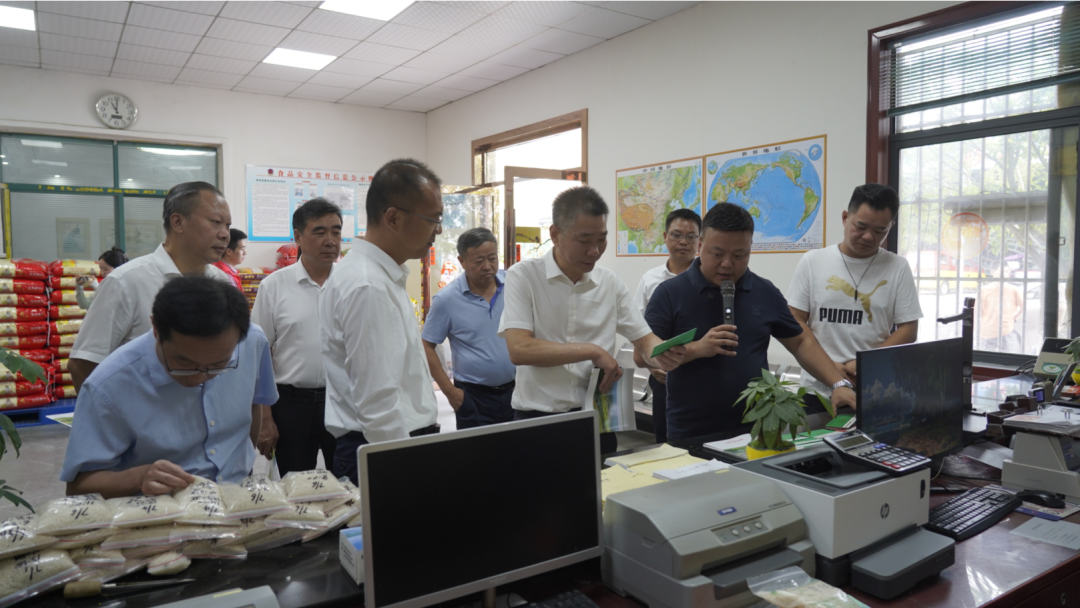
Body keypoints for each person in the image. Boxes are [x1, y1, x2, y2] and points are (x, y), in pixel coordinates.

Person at [642, 203, 857, 442]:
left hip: (756, 431)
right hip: (690, 432)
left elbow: (800, 342)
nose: (727, 264)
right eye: (717, 254)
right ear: (700, 245)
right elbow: (644, 356)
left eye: (739, 255)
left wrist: (838, 383)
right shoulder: (670, 293)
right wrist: (698, 348)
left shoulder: (764, 291)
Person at [499, 186, 684, 455]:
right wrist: (592, 351)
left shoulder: (610, 282)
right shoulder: (524, 276)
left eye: (602, 239)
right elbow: (520, 349)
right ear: (555, 234)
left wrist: (664, 355)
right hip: (538, 419)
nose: (595, 251)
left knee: (602, 482)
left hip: (599, 419)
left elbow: (645, 340)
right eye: (584, 240)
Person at [60, 276, 277, 499]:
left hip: (237, 498)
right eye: (184, 363)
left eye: (218, 365)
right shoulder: (108, 385)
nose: (199, 377)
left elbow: (253, 407)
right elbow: (78, 487)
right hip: (159, 510)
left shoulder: (253, 343)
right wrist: (139, 478)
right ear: (156, 329)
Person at [320, 158, 443, 484]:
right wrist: (403, 470)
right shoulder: (368, 285)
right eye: (433, 219)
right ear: (393, 218)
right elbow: (378, 402)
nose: (439, 230)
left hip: (384, 442)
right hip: (384, 447)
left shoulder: (379, 275)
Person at [68, 182, 232, 391]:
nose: (225, 234)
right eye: (216, 222)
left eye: (228, 225)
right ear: (178, 222)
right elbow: (83, 365)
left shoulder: (222, 283)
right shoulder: (126, 282)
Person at [787, 184, 922, 399]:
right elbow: (795, 321)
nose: (868, 237)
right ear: (845, 218)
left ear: (891, 226)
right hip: (817, 388)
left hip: (872, 386)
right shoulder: (813, 261)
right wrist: (828, 367)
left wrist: (863, 363)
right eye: (861, 226)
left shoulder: (897, 266)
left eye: (880, 231)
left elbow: (908, 329)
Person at [252, 198, 342, 475]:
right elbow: (259, 353)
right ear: (298, 237)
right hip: (291, 405)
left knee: (349, 483)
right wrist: (265, 417)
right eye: (320, 232)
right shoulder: (274, 286)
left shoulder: (352, 283)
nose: (330, 241)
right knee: (296, 484)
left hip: (342, 400)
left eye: (336, 231)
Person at [422, 228, 515, 430]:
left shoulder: (514, 285)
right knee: (478, 450)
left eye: (492, 258)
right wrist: (450, 392)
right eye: (479, 261)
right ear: (462, 261)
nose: (487, 266)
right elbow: (426, 346)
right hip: (473, 398)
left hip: (517, 391)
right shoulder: (447, 300)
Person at [633, 208, 701, 443]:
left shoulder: (709, 277)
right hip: (662, 378)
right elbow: (637, 328)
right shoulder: (650, 279)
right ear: (665, 237)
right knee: (665, 439)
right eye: (677, 235)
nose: (683, 242)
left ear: (700, 241)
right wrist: (651, 366)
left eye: (690, 237)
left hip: (699, 374)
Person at [978, 266, 1024, 352]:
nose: (1004, 274)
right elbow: (977, 312)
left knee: (1008, 357)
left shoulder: (1014, 290)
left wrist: (1014, 319)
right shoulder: (983, 290)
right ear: (992, 272)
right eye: (1001, 271)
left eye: (1006, 271)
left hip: (1006, 331)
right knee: (988, 358)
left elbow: (1023, 308)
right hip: (987, 332)